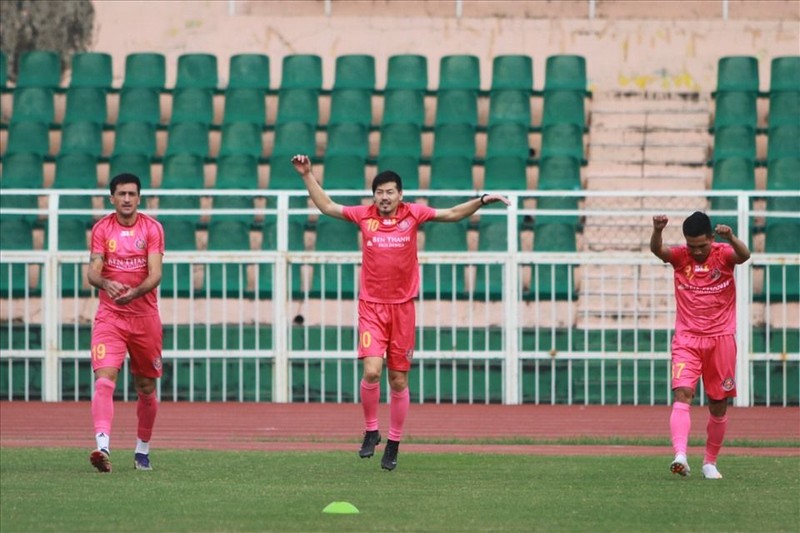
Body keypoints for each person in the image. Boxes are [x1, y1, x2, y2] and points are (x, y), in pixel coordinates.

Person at [291, 154, 510, 471]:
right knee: (371, 371)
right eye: (379, 192)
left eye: (390, 192)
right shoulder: (364, 216)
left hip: (403, 310)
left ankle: (393, 443)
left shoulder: (413, 215)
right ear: (374, 196)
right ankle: (370, 431)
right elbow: (328, 207)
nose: (384, 197)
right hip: (371, 307)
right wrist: (307, 175)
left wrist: (481, 200)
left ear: (400, 195)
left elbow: (450, 214)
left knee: (397, 380)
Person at [650, 211, 751, 479]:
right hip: (687, 339)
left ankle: (710, 462)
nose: (696, 251)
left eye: (702, 246)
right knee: (682, 393)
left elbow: (745, 255)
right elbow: (658, 250)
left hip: (721, 338)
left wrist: (731, 237)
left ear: (711, 238)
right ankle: (680, 456)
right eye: (691, 246)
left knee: (718, 404)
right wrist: (658, 230)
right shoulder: (680, 257)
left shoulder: (724, 254)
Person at [87, 173, 165, 473]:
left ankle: (142, 450)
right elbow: (93, 271)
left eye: (132, 194)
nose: (127, 199)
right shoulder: (101, 229)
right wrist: (107, 284)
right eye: (121, 194)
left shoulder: (152, 228)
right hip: (111, 317)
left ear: (139, 197)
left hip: (145, 318)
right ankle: (102, 446)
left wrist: (135, 292)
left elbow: (156, 273)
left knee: (146, 387)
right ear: (112, 198)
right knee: (104, 379)